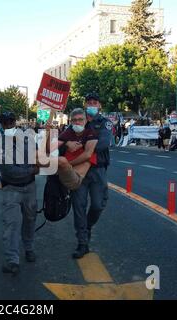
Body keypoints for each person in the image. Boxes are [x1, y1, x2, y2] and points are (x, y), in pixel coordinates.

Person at [68, 93, 111, 259]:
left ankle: (87, 227)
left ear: (99, 105)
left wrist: (81, 146)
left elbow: (103, 144)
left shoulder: (104, 123)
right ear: (85, 104)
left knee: (98, 205)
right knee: (78, 206)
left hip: (97, 169)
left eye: (95, 102)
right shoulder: (78, 120)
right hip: (78, 169)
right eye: (89, 102)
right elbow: (67, 141)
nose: (92, 105)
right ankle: (82, 243)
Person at [0, 112, 39, 275]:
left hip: (30, 188)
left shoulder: (28, 139)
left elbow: (37, 156)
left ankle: (28, 247)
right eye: (5, 123)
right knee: (12, 223)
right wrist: (32, 170)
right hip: (11, 189)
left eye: (11, 122)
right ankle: (12, 260)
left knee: (30, 220)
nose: (9, 125)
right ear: (1, 125)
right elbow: (10, 171)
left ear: (15, 123)